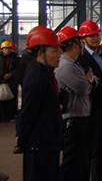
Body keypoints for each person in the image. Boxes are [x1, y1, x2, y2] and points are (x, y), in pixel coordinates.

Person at [14, 26, 62, 181]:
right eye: (54, 51)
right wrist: (22, 139)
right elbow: (28, 110)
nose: (59, 55)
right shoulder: (37, 76)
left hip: (47, 142)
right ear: (41, 53)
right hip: (39, 145)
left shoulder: (44, 72)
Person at [78, 20, 102, 181]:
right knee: (90, 151)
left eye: (97, 35)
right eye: (91, 36)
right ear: (83, 38)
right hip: (90, 109)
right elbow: (83, 83)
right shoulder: (81, 58)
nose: (95, 38)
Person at [55, 26, 94, 181]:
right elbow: (84, 88)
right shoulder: (66, 66)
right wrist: (87, 79)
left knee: (80, 158)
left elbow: (90, 81)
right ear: (75, 44)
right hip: (73, 118)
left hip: (80, 115)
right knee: (72, 159)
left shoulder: (73, 64)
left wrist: (87, 79)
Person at [0, 40, 19, 122]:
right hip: (1, 81)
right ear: (2, 49)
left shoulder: (15, 58)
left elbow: (18, 68)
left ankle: (10, 116)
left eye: (8, 48)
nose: (7, 50)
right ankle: (2, 117)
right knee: (1, 99)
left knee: (11, 100)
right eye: (5, 48)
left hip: (12, 82)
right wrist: (3, 75)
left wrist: (11, 74)